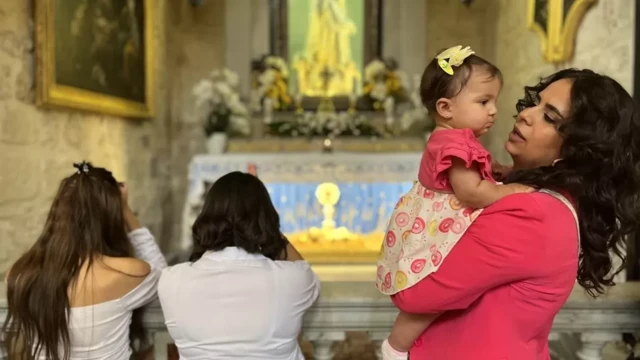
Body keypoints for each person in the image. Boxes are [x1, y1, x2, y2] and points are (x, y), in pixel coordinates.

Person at [390, 68, 640, 359]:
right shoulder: (534, 195)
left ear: (577, 150)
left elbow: (413, 294)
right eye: (535, 103)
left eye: (550, 117)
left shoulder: (531, 211)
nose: (525, 114)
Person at [376, 46, 532, 359]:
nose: (494, 111)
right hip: (439, 230)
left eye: (494, 101)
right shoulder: (454, 144)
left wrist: (497, 170)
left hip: (436, 221)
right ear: (446, 107)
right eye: (483, 101)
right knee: (430, 296)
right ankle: (395, 348)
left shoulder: (454, 138)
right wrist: (513, 190)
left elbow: (476, 174)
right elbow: (472, 193)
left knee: (438, 298)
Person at [2, 162, 167, 360]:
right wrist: (126, 211)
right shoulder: (126, 273)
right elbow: (166, 279)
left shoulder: (19, 274)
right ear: (110, 215)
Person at [158, 171, 320, 360]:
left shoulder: (172, 280)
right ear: (265, 218)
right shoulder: (294, 278)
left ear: (206, 216)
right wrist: (268, 231)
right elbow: (302, 268)